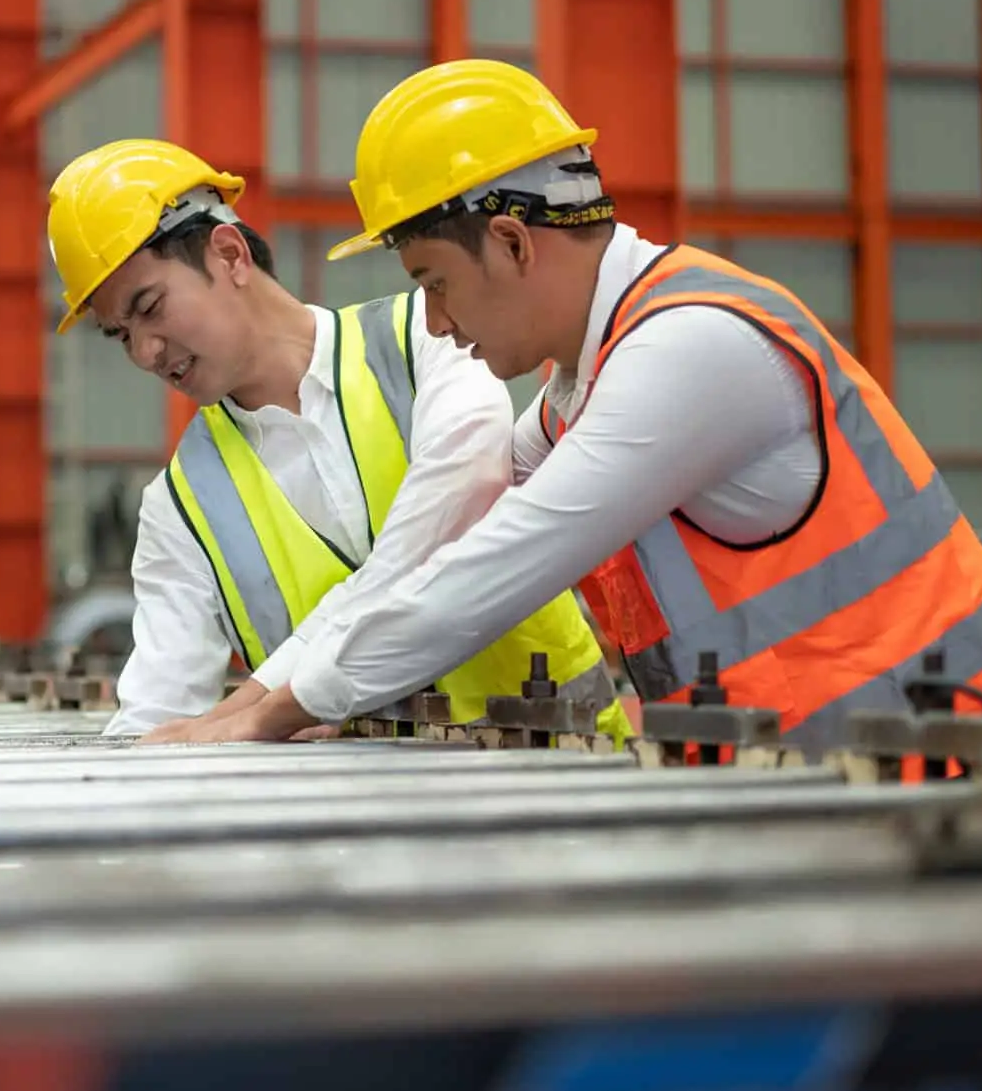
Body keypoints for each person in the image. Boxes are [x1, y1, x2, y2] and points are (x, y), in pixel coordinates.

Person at [196, 58, 982, 750]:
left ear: (510, 242)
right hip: (854, 789)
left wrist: (275, 715)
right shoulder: (579, 388)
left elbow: (496, 568)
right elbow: (423, 556)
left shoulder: (689, 352)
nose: (436, 321)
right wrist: (256, 696)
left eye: (436, 281)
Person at [43, 138, 619, 740]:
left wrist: (257, 709)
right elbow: (156, 721)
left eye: (150, 307)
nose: (145, 352)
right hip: (359, 825)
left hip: (573, 772)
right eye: (120, 335)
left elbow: (442, 529)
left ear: (230, 254)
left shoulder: (429, 343)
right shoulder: (180, 509)